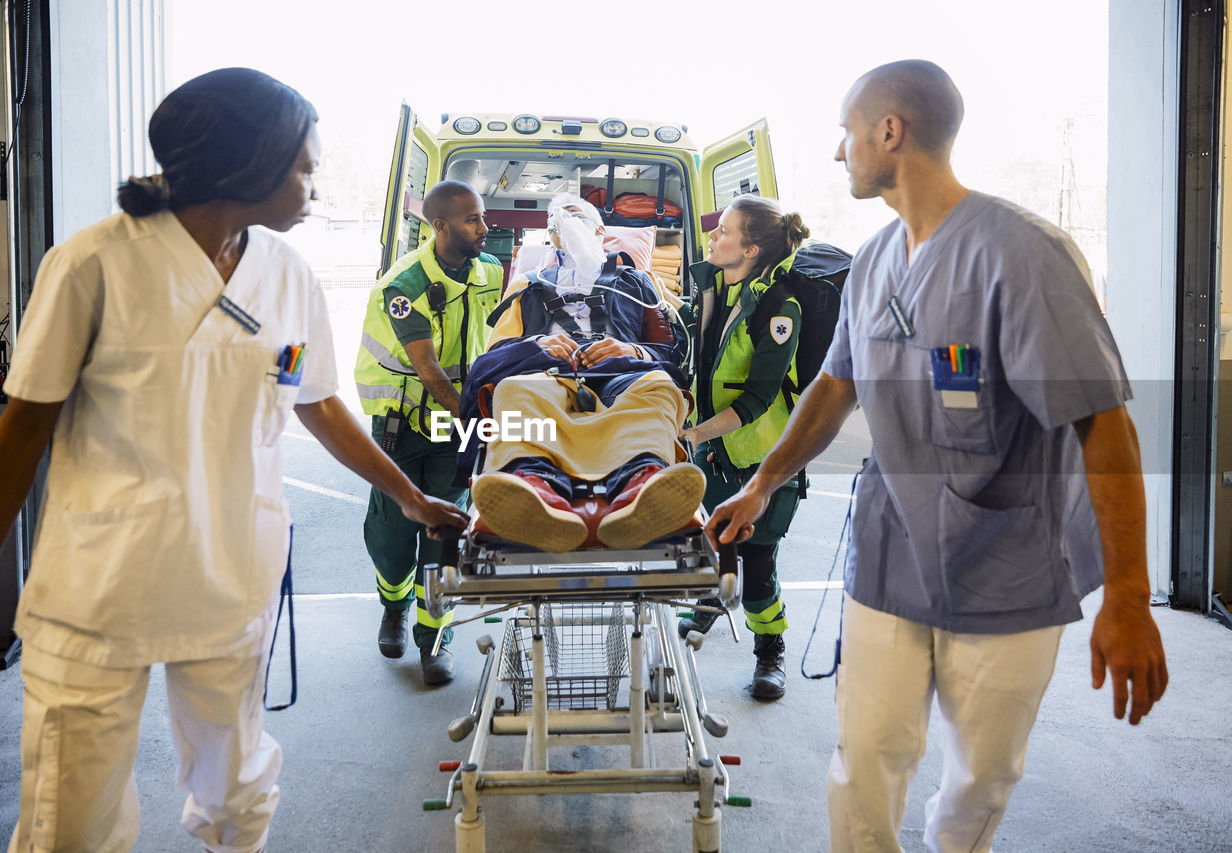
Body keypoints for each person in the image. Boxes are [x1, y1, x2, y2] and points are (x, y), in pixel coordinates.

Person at [0, 68, 467, 853]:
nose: (313, 185)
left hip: (230, 575)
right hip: (100, 584)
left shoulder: (286, 275)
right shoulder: (94, 264)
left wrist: (409, 497)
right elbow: (19, 436)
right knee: (70, 812)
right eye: (304, 166)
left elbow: (314, 400)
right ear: (246, 164)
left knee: (238, 791)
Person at [708, 59, 1169, 852]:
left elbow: (1105, 424)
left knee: (981, 779)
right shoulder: (875, 260)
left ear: (891, 133)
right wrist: (761, 484)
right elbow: (831, 388)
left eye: (846, 134)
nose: (837, 153)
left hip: (1008, 563)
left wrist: (1129, 594)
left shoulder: (1023, 254)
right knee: (863, 760)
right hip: (893, 555)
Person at [463, 193, 703, 553]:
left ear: (600, 230)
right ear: (551, 236)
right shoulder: (527, 285)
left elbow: (671, 354)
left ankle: (643, 487)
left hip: (623, 376)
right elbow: (493, 357)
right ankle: (534, 488)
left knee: (659, 387)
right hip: (546, 377)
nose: (566, 221)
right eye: (557, 220)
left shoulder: (637, 282)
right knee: (512, 391)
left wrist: (631, 350)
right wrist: (536, 346)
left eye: (575, 214)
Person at [354, 179, 503, 684]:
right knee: (394, 535)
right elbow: (430, 372)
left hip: (455, 425)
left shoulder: (490, 274)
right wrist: (481, 424)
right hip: (404, 425)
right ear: (439, 226)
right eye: (471, 220)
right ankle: (393, 604)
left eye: (482, 217)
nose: (484, 227)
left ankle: (435, 639)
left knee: (445, 531)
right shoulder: (405, 287)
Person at [674, 194, 813, 702]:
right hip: (717, 454)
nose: (713, 236)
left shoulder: (780, 309)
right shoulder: (715, 289)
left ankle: (770, 650)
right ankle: (712, 606)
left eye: (725, 231)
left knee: (757, 561)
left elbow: (756, 401)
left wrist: (691, 435)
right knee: (716, 539)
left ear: (750, 249)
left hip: (761, 459)